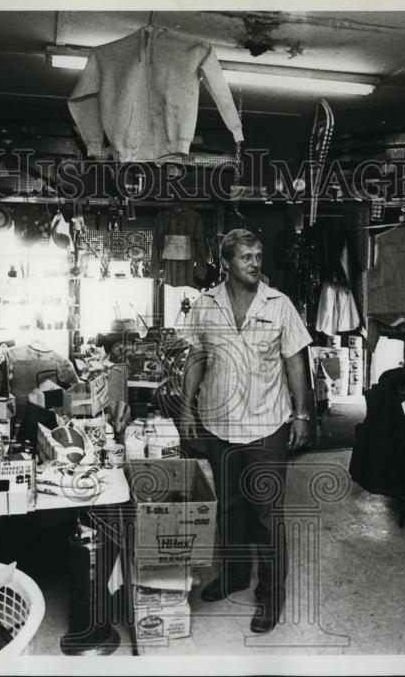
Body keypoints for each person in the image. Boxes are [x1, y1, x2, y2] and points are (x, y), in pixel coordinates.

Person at [179, 228, 313, 633]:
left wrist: (303, 414)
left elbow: (295, 361)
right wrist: (187, 411)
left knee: (267, 515)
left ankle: (271, 596)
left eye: (258, 255)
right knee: (231, 509)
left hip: (266, 425)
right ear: (226, 263)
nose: (256, 262)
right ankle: (235, 575)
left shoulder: (280, 304)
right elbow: (196, 357)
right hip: (219, 425)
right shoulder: (205, 305)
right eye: (246, 257)